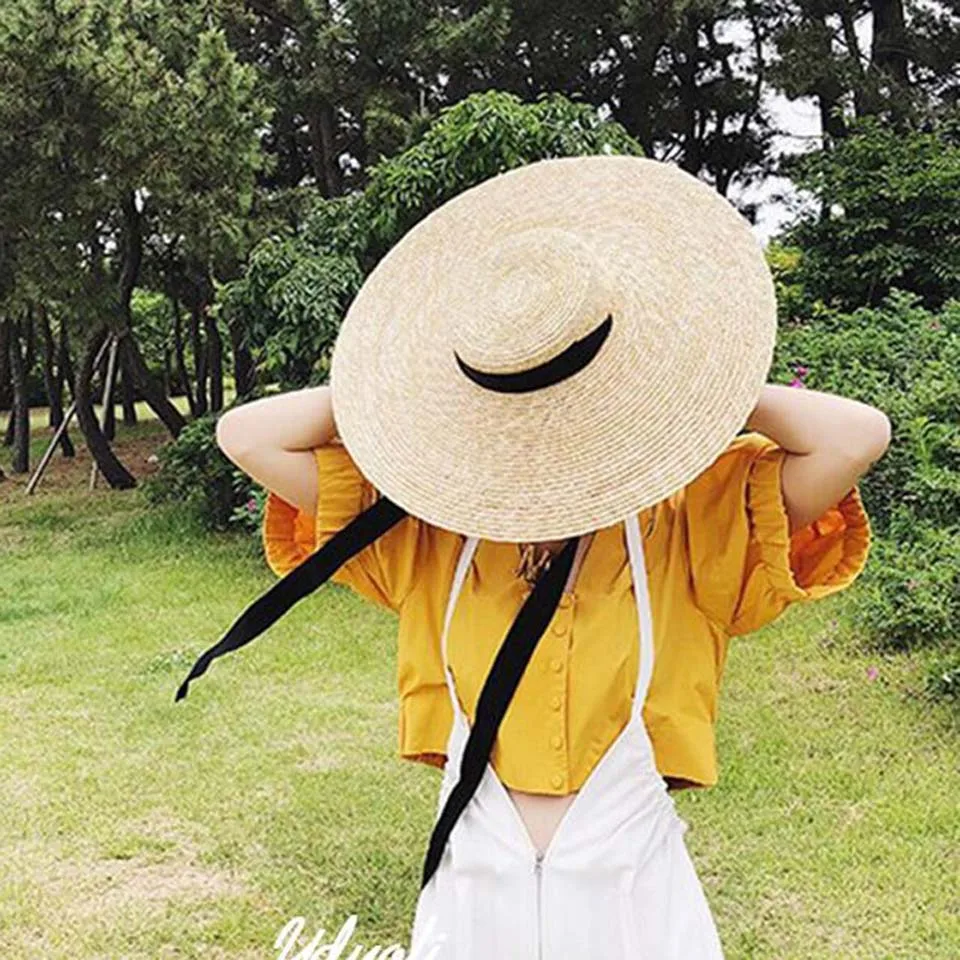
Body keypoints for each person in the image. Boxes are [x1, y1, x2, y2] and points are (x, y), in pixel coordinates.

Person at [180, 156, 889, 957]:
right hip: (474, 891)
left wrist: (686, 377)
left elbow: (857, 436)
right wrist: (408, 394)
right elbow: (247, 435)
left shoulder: (690, 515)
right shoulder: (430, 531)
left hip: (633, 899)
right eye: (521, 394)